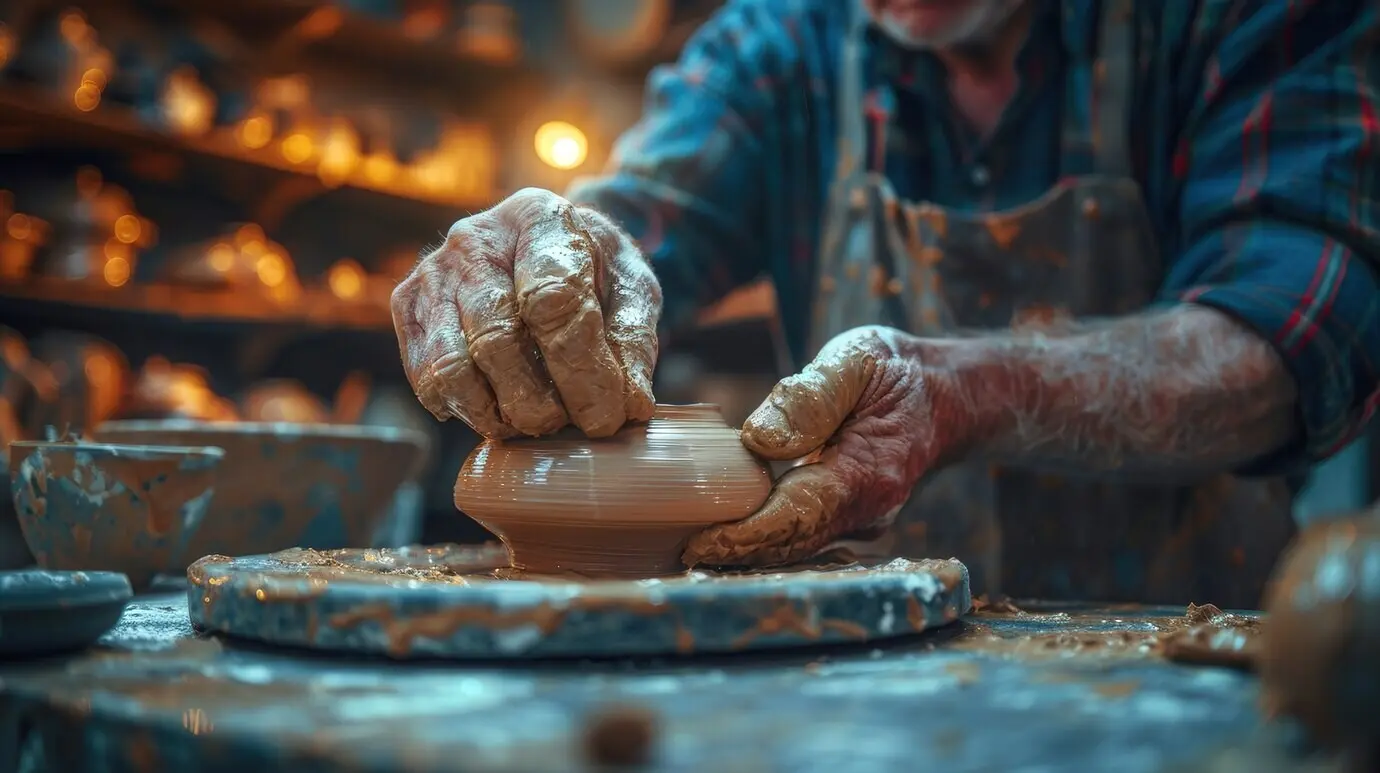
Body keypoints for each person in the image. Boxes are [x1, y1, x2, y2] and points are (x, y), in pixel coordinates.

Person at [391, 0, 1380, 608]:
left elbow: (1302, 329)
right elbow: (641, 226)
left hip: (1180, 666)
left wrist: (968, 388)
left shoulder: (1236, 13)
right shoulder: (779, 42)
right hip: (850, 685)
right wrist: (557, 257)